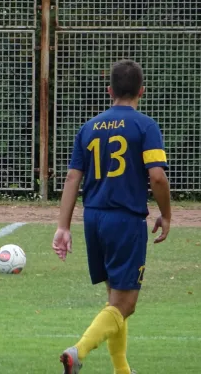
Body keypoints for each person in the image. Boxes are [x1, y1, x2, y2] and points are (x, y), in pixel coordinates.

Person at [52, 60, 171, 374]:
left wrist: (63, 226)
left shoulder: (88, 127)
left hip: (94, 219)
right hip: (125, 219)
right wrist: (167, 215)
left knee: (115, 299)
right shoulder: (145, 126)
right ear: (141, 92)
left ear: (110, 91)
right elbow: (157, 177)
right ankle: (78, 352)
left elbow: (72, 179)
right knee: (125, 304)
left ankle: (122, 370)